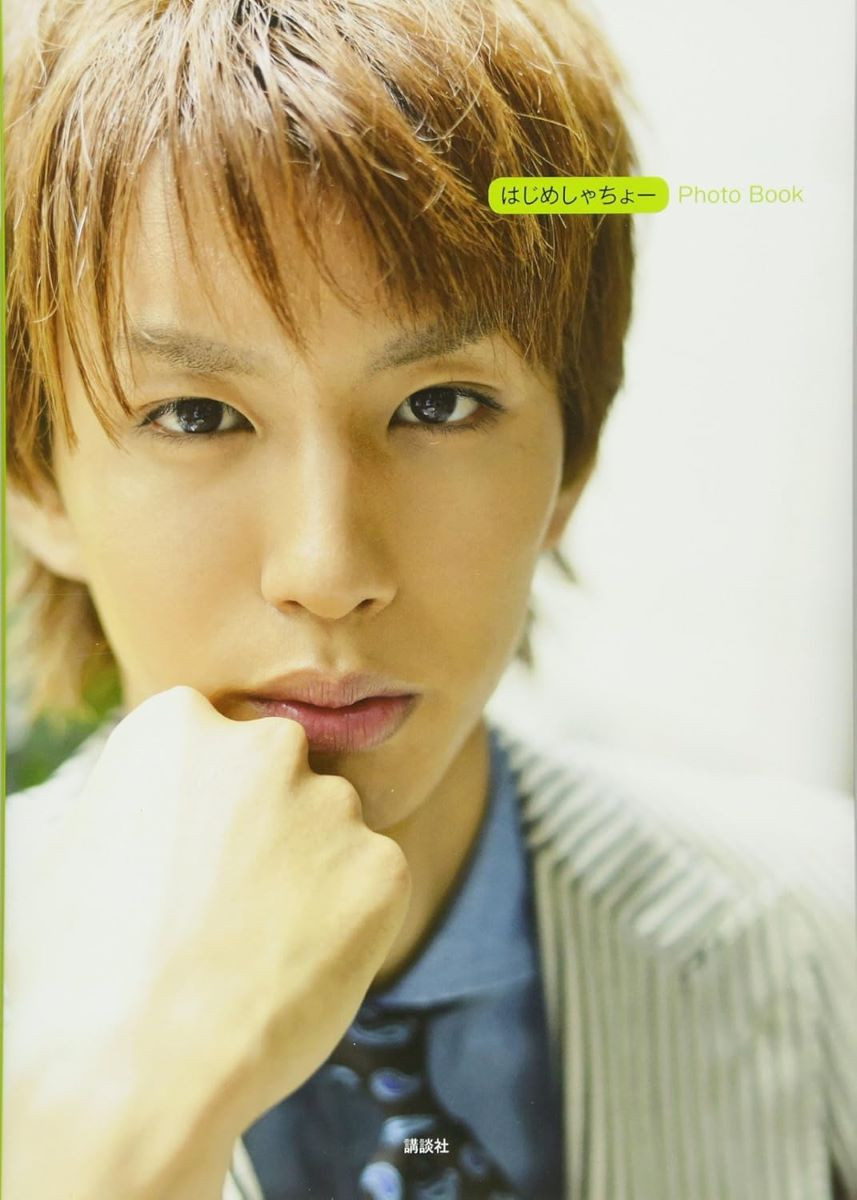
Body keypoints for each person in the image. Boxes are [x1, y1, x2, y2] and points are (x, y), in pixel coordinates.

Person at [3, 1, 855, 1198]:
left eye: (438, 406)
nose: (327, 568)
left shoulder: (824, 935)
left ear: (571, 457)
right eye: (195, 416)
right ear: (36, 477)